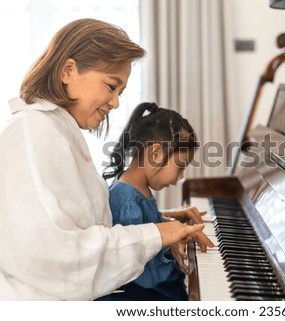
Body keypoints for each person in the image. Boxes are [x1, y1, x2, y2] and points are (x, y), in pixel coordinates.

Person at [0, 18, 209, 300]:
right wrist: (159, 233)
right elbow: (59, 256)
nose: (116, 102)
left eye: (120, 92)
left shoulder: (56, 130)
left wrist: (165, 222)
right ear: (68, 71)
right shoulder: (35, 134)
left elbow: (82, 225)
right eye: (111, 86)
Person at [98, 102, 211, 300]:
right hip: (142, 294)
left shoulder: (136, 188)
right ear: (156, 154)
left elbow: (147, 227)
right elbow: (135, 258)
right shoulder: (126, 199)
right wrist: (169, 245)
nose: (179, 177)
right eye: (180, 166)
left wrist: (172, 222)